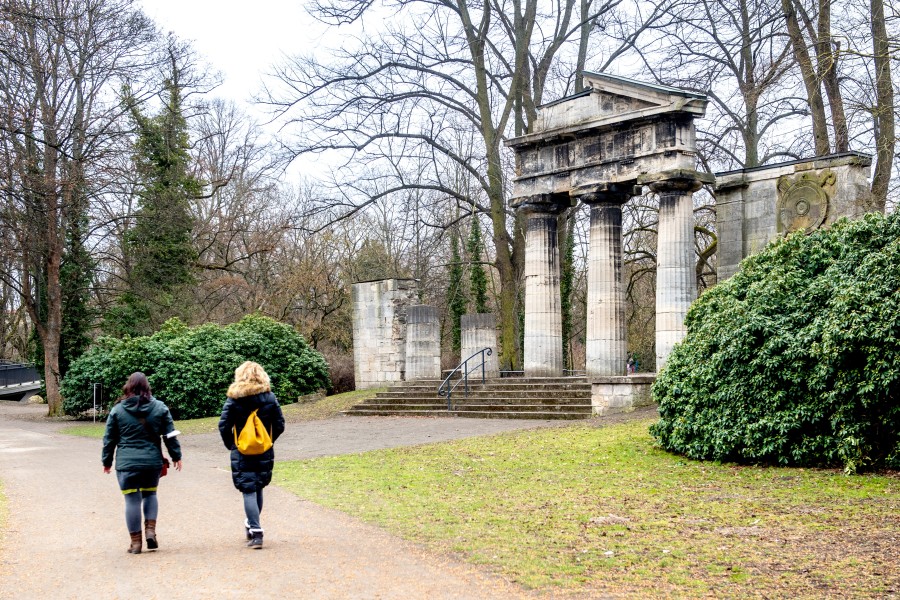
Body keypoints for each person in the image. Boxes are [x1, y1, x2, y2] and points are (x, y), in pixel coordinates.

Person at [102, 372, 182, 554]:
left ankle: (136, 543)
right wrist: (176, 456)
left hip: (126, 465)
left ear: (128, 387)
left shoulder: (117, 410)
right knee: (150, 494)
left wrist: (106, 461)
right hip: (151, 463)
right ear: (147, 387)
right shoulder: (160, 408)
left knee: (131, 500)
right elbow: (169, 435)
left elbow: (109, 439)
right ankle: (150, 531)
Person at [218, 361, 285, 549]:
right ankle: (252, 526)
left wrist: (232, 444)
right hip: (264, 450)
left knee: (248, 489)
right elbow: (279, 424)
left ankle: (256, 531)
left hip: (242, 450)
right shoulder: (270, 398)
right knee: (259, 486)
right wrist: (267, 441)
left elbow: (224, 426)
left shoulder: (234, 399)